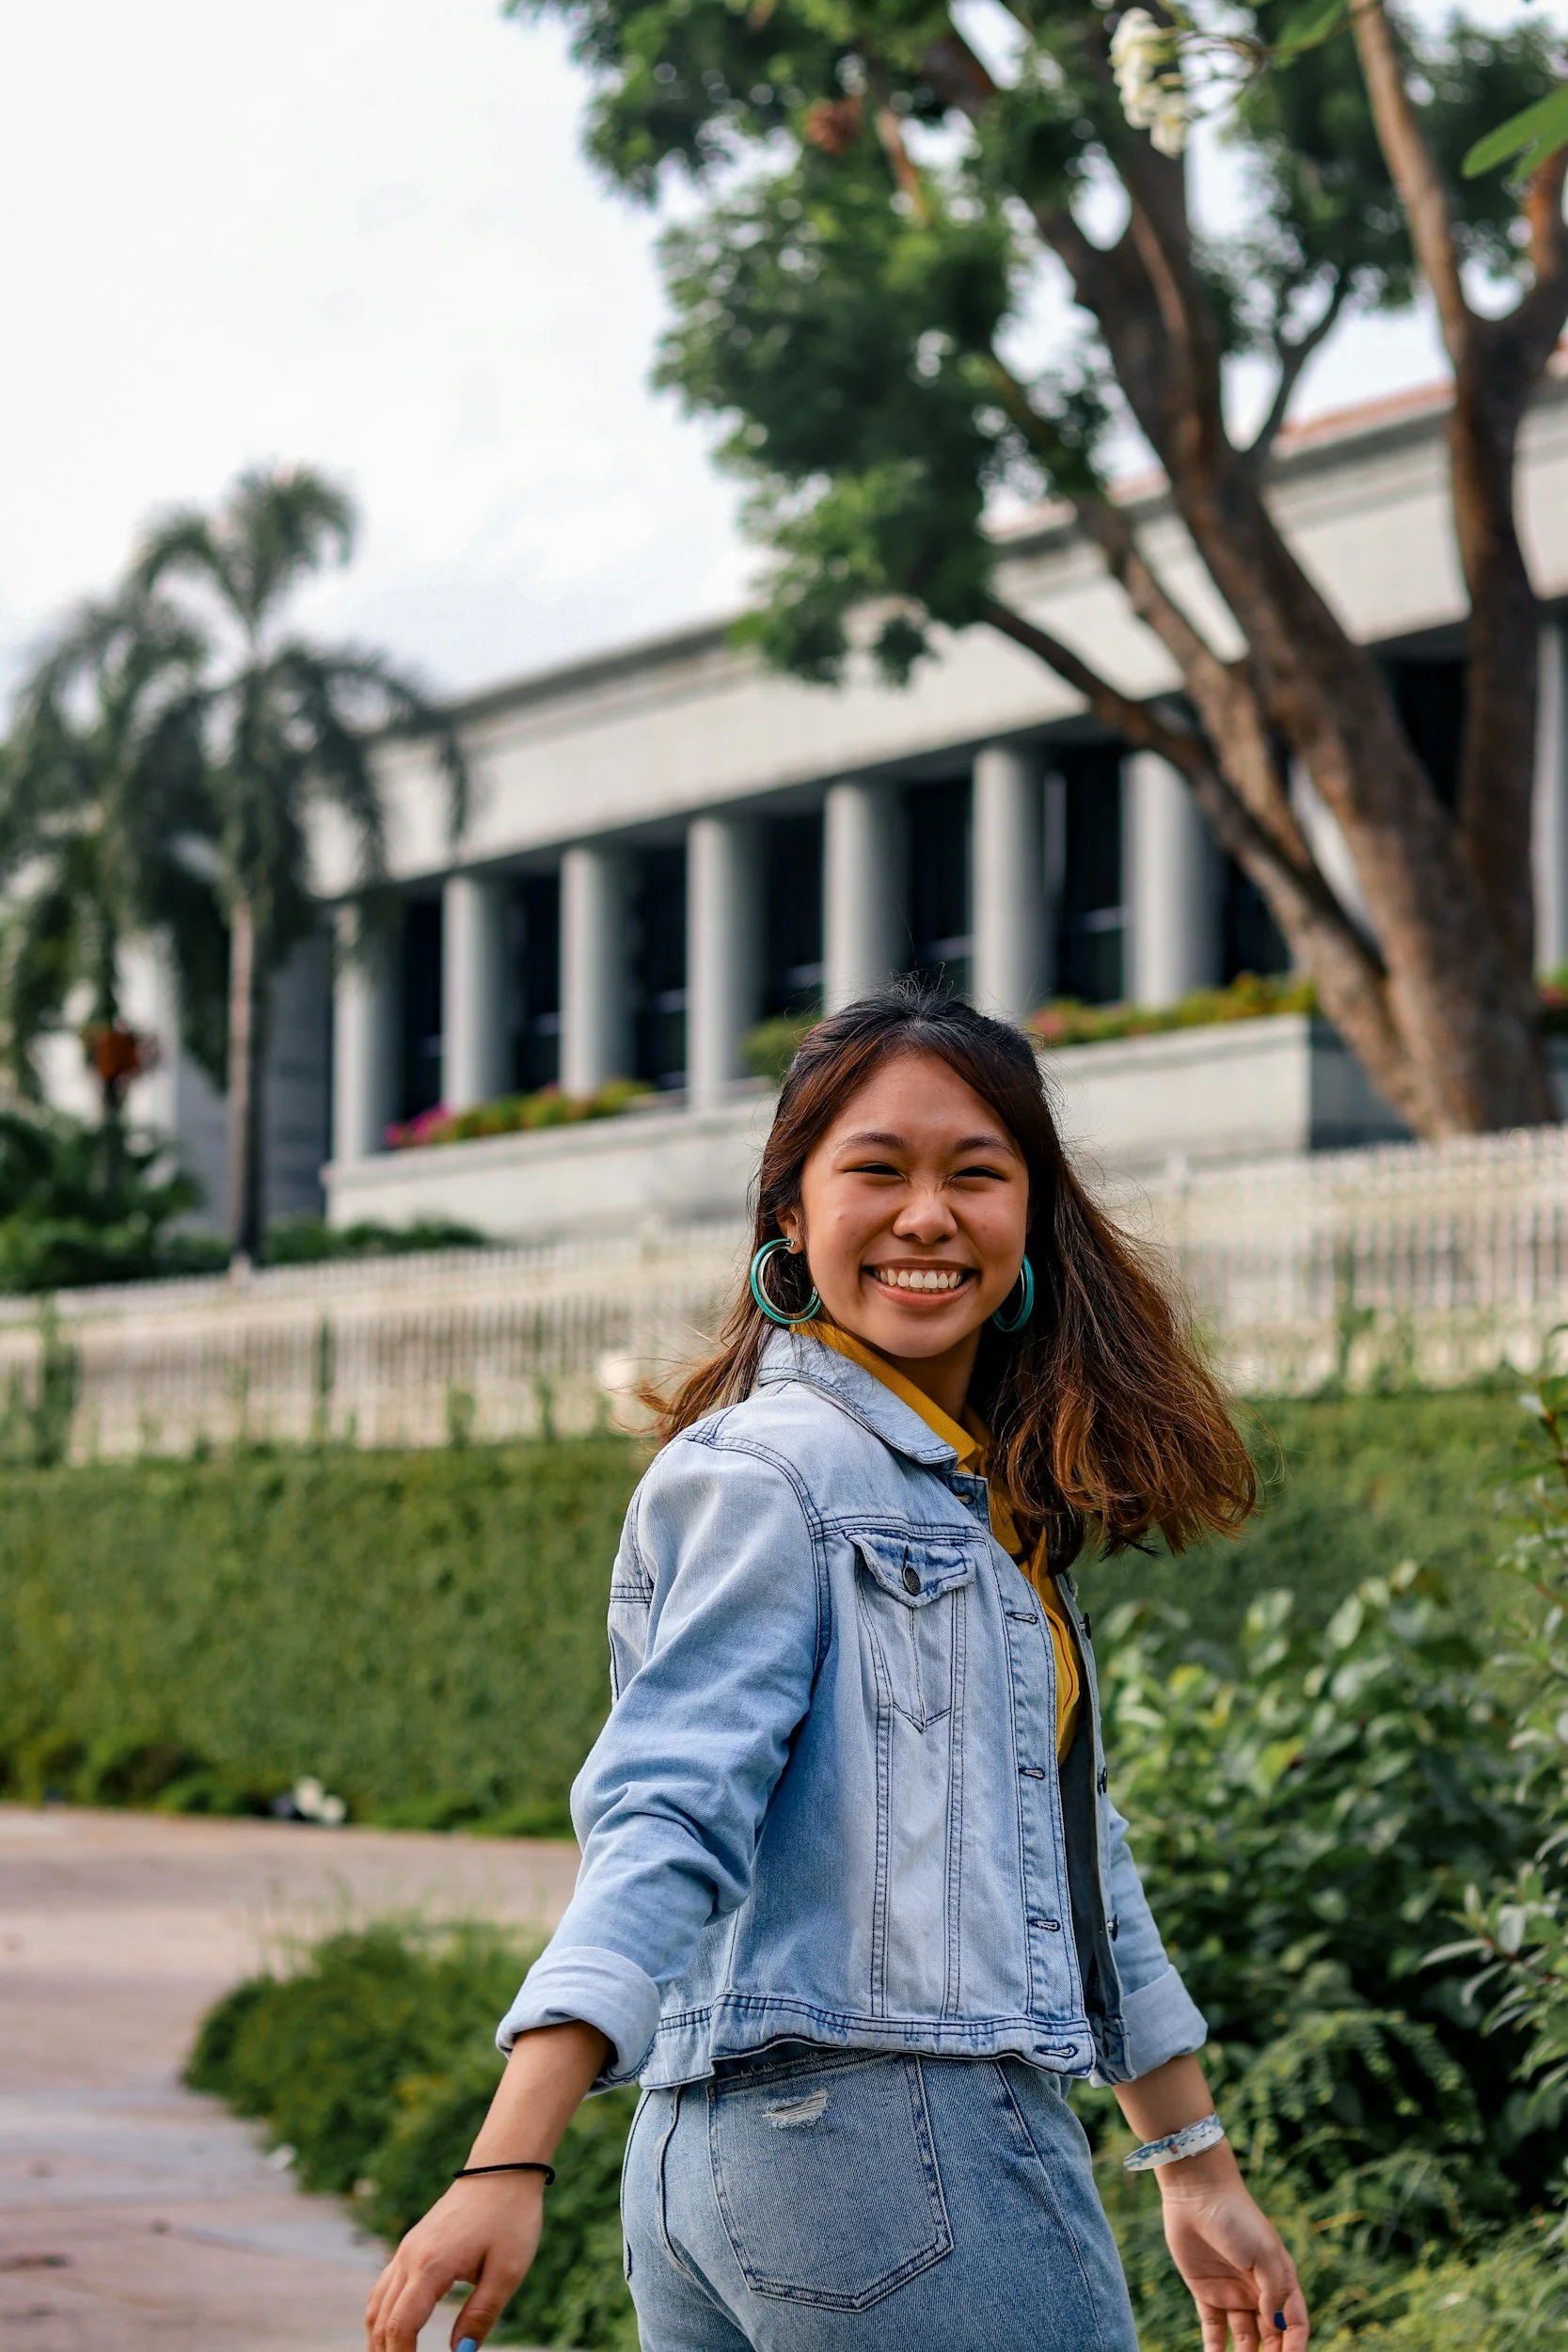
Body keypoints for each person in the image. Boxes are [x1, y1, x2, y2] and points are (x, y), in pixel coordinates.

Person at [367, 984, 1309, 2352]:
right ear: (790, 1220)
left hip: (718, 2174)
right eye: (875, 1169)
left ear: (1029, 1222)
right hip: (902, 2153)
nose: (927, 1215)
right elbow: (664, 1816)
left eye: (974, 1175)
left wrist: (1194, 2165)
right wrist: (504, 2157)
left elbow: (1074, 1862)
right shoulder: (782, 1476)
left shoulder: (975, 1510)